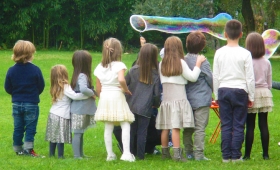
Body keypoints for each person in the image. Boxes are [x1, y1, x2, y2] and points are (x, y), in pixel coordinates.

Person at [156, 36, 206, 161]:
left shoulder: (161, 64)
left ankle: (165, 153)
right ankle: (177, 155)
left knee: (165, 127)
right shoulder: (180, 62)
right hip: (178, 98)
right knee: (176, 127)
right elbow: (192, 77)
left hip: (166, 100)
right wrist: (198, 64)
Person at [212, 19, 255, 163]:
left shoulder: (219, 53)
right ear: (241, 34)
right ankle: (236, 156)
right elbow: (250, 77)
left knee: (226, 124)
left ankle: (226, 156)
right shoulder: (245, 53)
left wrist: (216, 95)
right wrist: (252, 96)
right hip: (240, 91)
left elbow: (216, 76)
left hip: (223, 90)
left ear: (225, 34)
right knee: (238, 124)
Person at [94, 37, 135, 162]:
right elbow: (122, 80)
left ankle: (110, 154)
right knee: (125, 123)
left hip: (105, 96)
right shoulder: (119, 65)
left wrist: (102, 97)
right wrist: (126, 89)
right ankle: (126, 153)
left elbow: (98, 87)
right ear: (118, 51)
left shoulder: (99, 67)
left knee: (108, 125)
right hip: (117, 95)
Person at [4, 40, 45, 157]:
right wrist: (34, 93)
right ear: (30, 54)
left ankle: (18, 148)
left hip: (16, 103)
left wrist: (16, 94)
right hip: (31, 103)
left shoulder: (11, 70)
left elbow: (8, 87)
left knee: (18, 127)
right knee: (30, 127)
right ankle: (28, 149)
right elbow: (41, 86)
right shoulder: (35, 69)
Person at [45, 65, 93, 158]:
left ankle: (51, 155)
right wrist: (88, 95)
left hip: (52, 114)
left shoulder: (54, 86)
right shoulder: (65, 86)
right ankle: (60, 156)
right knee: (60, 137)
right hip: (62, 115)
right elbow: (74, 96)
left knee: (53, 136)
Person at [125, 43, 161, 160]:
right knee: (142, 132)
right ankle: (140, 156)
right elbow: (156, 94)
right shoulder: (156, 73)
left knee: (131, 131)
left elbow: (125, 85)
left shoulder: (132, 70)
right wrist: (156, 104)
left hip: (131, 105)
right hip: (146, 107)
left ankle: (130, 153)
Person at [243, 32, 273, 160]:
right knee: (263, 124)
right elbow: (270, 83)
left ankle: (247, 155)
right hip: (265, 93)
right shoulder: (267, 62)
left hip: (252, 93)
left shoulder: (247, 62)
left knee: (250, 125)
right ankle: (265, 155)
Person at [183, 31, 213, 161]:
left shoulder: (183, 60)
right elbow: (210, 79)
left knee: (188, 128)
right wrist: (213, 91)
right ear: (202, 46)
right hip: (201, 100)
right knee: (200, 128)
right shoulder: (203, 62)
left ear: (187, 44)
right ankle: (199, 154)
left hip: (187, 99)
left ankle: (189, 153)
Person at [70, 50, 97, 159]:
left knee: (80, 133)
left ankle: (81, 154)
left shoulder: (78, 74)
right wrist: (92, 93)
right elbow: (83, 89)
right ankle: (77, 155)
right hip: (79, 109)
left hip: (81, 108)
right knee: (78, 133)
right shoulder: (82, 76)